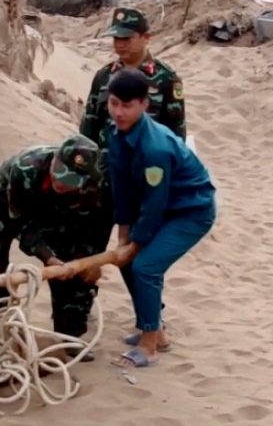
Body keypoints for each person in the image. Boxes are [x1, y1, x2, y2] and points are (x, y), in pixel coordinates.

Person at [79, 6, 186, 348]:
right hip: (103, 178)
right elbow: (87, 129)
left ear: (146, 38)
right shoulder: (103, 77)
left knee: (136, 254)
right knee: (89, 247)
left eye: (127, 38)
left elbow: (176, 136)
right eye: (116, 38)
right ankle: (77, 317)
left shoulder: (166, 79)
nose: (120, 44)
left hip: (143, 183)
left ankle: (152, 323)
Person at [105, 68, 216, 368]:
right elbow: (121, 187)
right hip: (162, 207)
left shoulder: (155, 147)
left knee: (145, 267)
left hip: (191, 211)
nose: (119, 112)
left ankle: (149, 346)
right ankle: (156, 331)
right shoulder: (115, 133)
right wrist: (123, 236)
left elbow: (154, 204)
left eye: (127, 105)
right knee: (127, 261)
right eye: (114, 103)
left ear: (144, 104)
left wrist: (136, 243)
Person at [0, 134, 105, 361]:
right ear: (54, 158)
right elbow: (21, 225)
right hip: (2, 205)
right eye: (59, 171)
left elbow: (89, 225)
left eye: (70, 180)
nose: (61, 182)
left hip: (55, 211)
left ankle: (70, 337)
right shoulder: (26, 168)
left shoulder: (94, 184)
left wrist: (86, 259)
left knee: (72, 269)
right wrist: (48, 258)